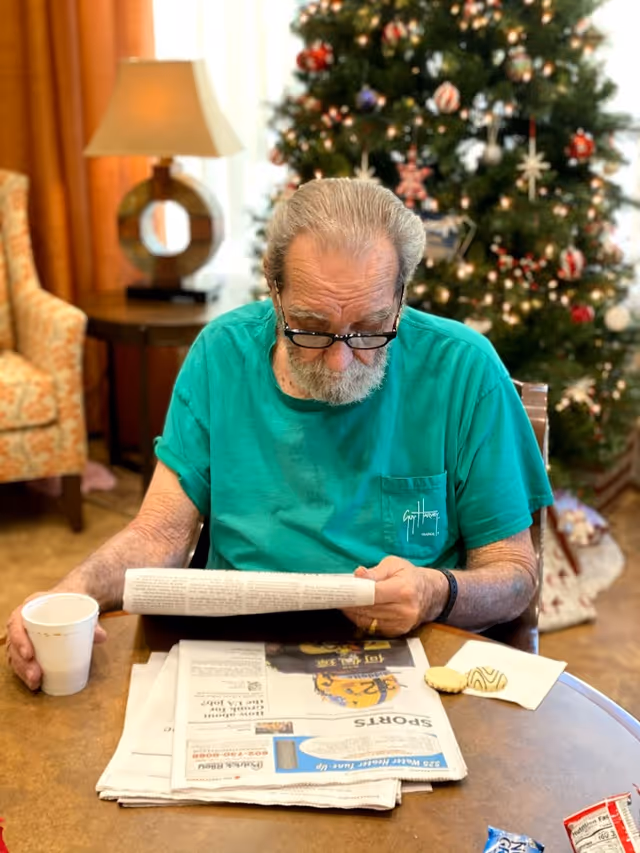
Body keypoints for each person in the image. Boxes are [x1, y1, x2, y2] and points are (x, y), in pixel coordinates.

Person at [6, 178, 553, 690]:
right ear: (274, 288)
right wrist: (72, 590)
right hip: (236, 654)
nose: (341, 362)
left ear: (402, 295)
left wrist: (438, 591)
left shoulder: (463, 370)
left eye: (368, 329)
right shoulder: (221, 355)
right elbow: (159, 536)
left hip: (408, 660)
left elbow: (513, 574)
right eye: (311, 327)